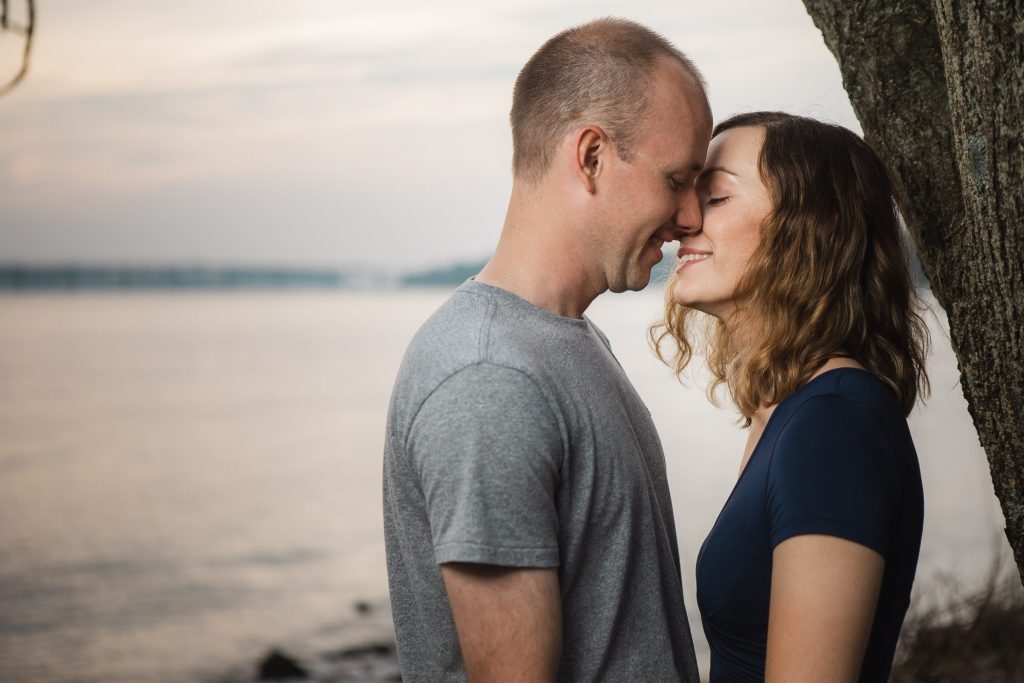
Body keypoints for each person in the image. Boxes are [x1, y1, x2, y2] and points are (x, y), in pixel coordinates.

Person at [383, 17, 712, 682]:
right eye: (677, 178)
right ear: (590, 156)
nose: (692, 217)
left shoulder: (564, 341)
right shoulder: (489, 378)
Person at [652, 111, 930, 682]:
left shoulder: (834, 424)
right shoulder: (791, 410)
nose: (682, 220)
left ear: (813, 225)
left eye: (717, 197)